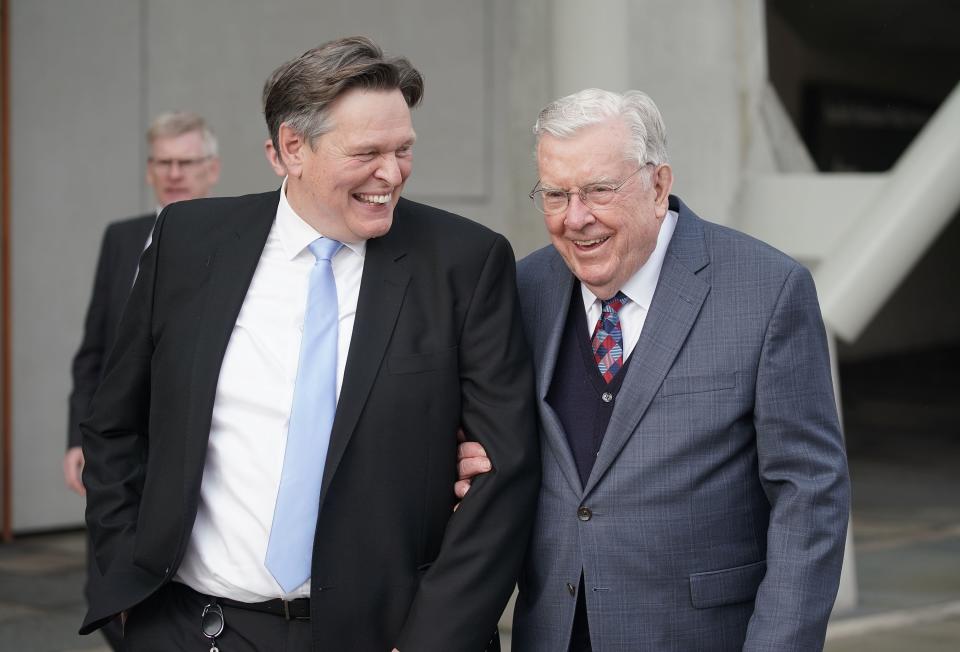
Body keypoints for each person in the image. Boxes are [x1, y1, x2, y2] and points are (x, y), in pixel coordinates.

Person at [79, 36, 539, 652]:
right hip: (192, 626)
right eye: (368, 152)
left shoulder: (465, 262)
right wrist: (127, 592)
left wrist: (434, 640)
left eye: (404, 150)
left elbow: (502, 477)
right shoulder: (189, 242)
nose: (392, 173)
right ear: (291, 148)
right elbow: (115, 426)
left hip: (386, 635)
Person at [457, 88, 850, 651]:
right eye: (555, 194)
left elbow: (810, 495)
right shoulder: (523, 291)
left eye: (597, 191)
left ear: (658, 185)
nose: (575, 218)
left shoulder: (767, 290)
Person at [64, 110, 220, 650]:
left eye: (187, 161)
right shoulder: (122, 237)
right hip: (120, 444)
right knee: (108, 585)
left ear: (212, 169)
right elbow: (94, 352)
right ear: (150, 170)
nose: (174, 172)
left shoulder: (234, 242)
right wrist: (76, 439)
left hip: (190, 441)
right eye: (163, 162)